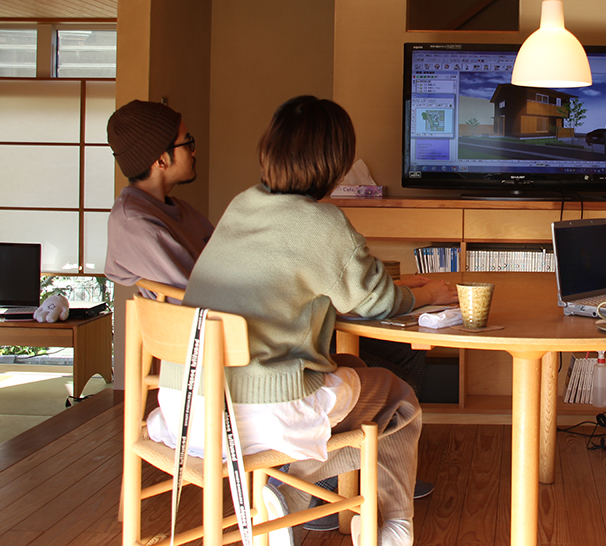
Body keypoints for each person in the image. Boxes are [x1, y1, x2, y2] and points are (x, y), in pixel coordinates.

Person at [145, 96, 455, 546]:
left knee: (363, 376)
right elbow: (375, 301)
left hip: (186, 404)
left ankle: (285, 497)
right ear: (337, 163)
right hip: (255, 412)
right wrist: (427, 294)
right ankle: (385, 526)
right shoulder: (324, 224)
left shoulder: (241, 205)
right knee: (399, 401)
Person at [104, 100, 213, 292]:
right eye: (188, 144)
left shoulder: (179, 209)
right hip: (208, 320)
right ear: (161, 160)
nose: (194, 151)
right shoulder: (134, 223)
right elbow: (196, 297)